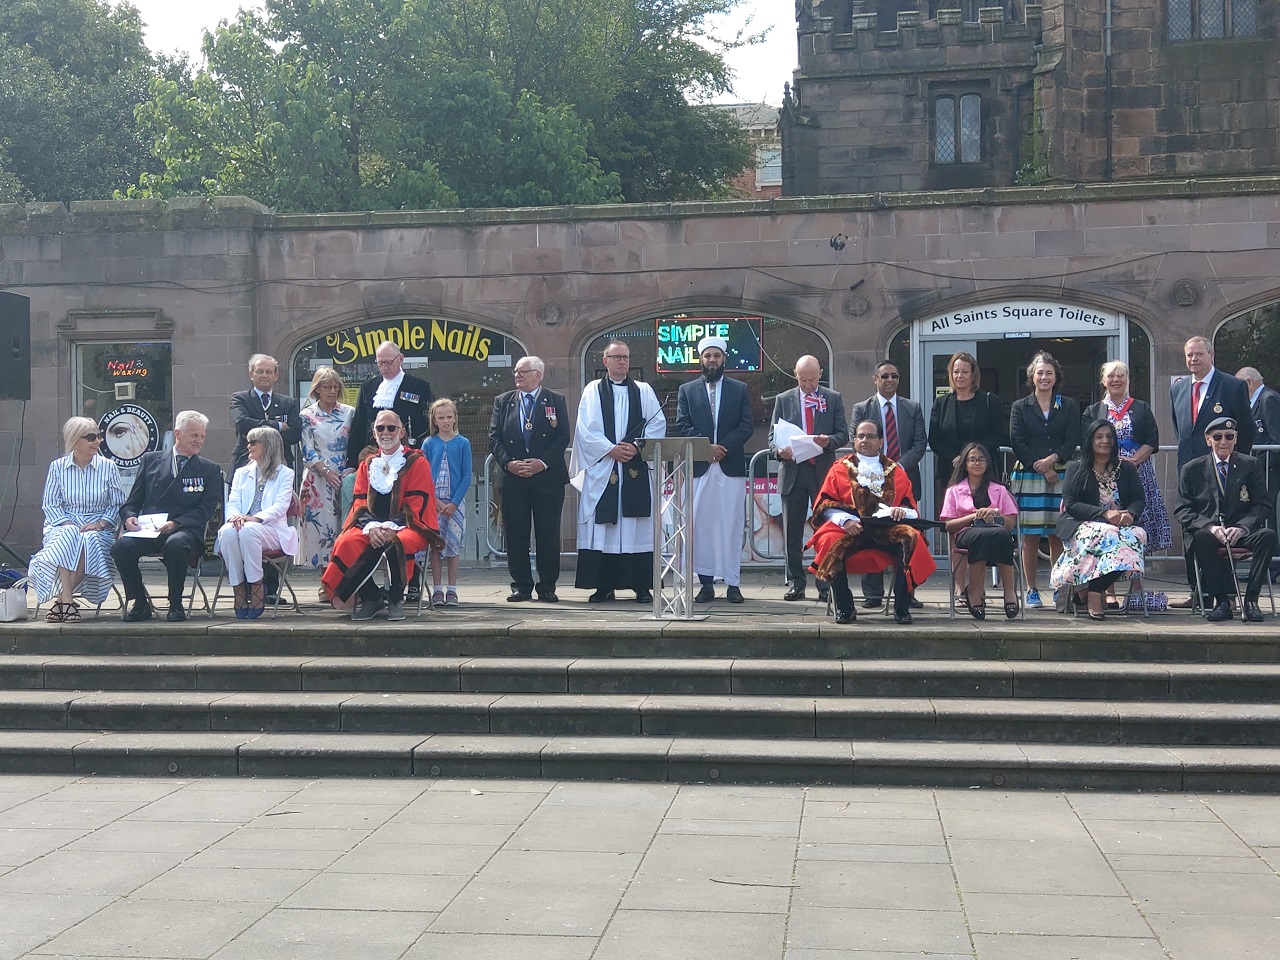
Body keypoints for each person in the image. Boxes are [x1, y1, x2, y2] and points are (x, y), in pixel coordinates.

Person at [808, 420, 937, 625]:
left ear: (881, 441)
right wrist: (846, 520)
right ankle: (845, 607)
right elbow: (824, 504)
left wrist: (900, 512)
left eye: (870, 436)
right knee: (830, 540)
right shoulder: (839, 469)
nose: (865, 441)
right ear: (854, 441)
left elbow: (910, 507)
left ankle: (902, 607)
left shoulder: (896, 470)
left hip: (887, 530)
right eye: (860, 436)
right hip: (852, 529)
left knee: (911, 537)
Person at [321, 410, 442, 621]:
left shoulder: (416, 462)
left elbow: (417, 503)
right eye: (380, 428)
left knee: (398, 541)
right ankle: (372, 597)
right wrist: (372, 527)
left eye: (391, 428)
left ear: (401, 431)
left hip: (408, 526)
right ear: (374, 433)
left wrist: (390, 527)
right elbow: (359, 502)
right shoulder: (367, 465)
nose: (386, 432)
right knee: (347, 541)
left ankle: (396, 599)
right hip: (371, 526)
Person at [570, 341, 667, 603]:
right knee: (605, 528)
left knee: (636, 527)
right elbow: (585, 429)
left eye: (625, 357)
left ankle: (642, 586)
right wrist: (610, 450)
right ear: (605, 361)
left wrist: (636, 447)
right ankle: (603, 586)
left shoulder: (644, 391)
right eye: (616, 357)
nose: (622, 361)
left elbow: (657, 423)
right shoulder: (593, 391)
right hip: (604, 468)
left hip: (634, 467)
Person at [111, 410, 223, 623]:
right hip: (151, 529)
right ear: (178, 434)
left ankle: (176, 603)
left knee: (176, 545)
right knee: (121, 548)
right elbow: (133, 501)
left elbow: (206, 510)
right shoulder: (151, 461)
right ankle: (140, 602)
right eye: (194, 435)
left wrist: (177, 523)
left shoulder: (209, 469)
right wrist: (129, 518)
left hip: (186, 530)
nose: (199, 441)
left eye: (202, 436)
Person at [1170, 336, 1253, 608]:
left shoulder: (1231, 386)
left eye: (1199, 354)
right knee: (1192, 530)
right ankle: (1198, 592)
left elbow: (1246, 430)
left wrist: (1238, 465)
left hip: (1223, 471)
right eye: (1189, 355)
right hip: (1191, 473)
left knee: (1221, 529)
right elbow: (1183, 430)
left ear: (1211, 355)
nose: (1193, 359)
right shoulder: (1179, 389)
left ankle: (1224, 593)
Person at [1082, 361, 1172, 602]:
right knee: (1108, 529)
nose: (1116, 380)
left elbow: (1152, 440)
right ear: (1103, 380)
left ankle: (1136, 587)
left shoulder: (1141, 408)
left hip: (1136, 472)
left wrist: (1132, 462)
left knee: (1135, 526)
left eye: (1121, 376)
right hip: (1104, 475)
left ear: (1128, 380)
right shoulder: (1093, 411)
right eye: (1111, 376)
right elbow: (1086, 442)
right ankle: (1107, 591)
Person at [675, 335, 754, 604]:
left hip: (729, 467)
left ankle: (733, 583)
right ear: (701, 359)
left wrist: (722, 448)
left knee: (730, 526)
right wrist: (706, 448)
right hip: (699, 467)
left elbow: (746, 426)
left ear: (723, 359)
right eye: (708, 356)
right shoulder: (687, 390)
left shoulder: (739, 389)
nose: (712, 360)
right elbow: (682, 425)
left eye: (717, 356)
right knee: (701, 527)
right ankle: (706, 583)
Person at [1174, 417, 1277, 623]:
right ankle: (1222, 601)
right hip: (1211, 532)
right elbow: (1182, 509)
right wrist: (1210, 527)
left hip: (1239, 531)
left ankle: (1251, 600)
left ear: (1236, 438)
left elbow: (1263, 505)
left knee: (1268, 536)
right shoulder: (1192, 469)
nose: (1224, 442)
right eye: (1218, 437)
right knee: (1201, 539)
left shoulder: (1250, 465)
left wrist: (1243, 527)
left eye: (1229, 437)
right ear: (1208, 440)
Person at [488, 356, 570, 602]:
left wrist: (541, 463)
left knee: (547, 534)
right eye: (516, 371)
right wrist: (508, 463)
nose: (518, 376)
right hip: (514, 479)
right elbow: (494, 438)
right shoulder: (503, 402)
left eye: (524, 372)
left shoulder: (555, 400)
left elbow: (562, 436)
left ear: (538, 375)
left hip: (547, 478)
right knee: (515, 534)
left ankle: (547, 586)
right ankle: (521, 585)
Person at [29, 417, 125, 622]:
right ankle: (69, 601)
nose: (98, 441)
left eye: (99, 436)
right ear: (74, 441)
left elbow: (116, 504)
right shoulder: (57, 467)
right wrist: (68, 523)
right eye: (91, 437)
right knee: (70, 535)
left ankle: (63, 601)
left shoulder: (109, 467)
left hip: (99, 525)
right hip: (63, 523)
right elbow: (51, 504)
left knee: (88, 538)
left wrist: (100, 524)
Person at [768, 354, 848, 602]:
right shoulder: (784, 400)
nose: (808, 385)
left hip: (821, 472)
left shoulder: (832, 398)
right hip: (794, 471)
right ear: (795, 375)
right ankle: (796, 582)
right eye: (803, 380)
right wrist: (779, 451)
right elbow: (772, 437)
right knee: (792, 530)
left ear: (820, 374)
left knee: (825, 529)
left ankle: (824, 583)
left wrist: (829, 441)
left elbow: (843, 433)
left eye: (812, 380)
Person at [1049, 419, 1146, 622]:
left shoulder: (1125, 468)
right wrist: (1104, 514)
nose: (1105, 441)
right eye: (1099, 436)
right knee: (1106, 534)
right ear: (1090, 440)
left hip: (1121, 525)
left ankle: (1090, 592)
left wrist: (1131, 514)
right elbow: (1072, 504)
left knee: (1137, 535)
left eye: (1109, 436)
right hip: (1083, 523)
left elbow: (1138, 498)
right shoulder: (1077, 468)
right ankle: (1094, 595)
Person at [851, 359, 925, 609]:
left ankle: (907, 591)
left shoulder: (912, 407)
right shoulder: (862, 408)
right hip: (869, 484)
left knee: (907, 534)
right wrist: (881, 470)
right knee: (872, 532)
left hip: (904, 482)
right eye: (885, 376)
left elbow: (919, 443)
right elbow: (856, 441)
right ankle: (873, 594)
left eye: (894, 376)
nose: (890, 380)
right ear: (875, 379)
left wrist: (897, 469)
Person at [1009, 351, 1079, 609]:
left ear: (1056, 376)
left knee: (1056, 535)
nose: (1044, 377)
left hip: (1060, 475)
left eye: (1049, 372)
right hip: (1030, 474)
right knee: (1029, 535)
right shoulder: (1020, 406)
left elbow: (1073, 438)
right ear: (1032, 377)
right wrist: (1041, 466)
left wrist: (1052, 461)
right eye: (1040, 372)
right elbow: (1017, 441)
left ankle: (1059, 587)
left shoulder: (1068, 405)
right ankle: (1031, 590)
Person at [215, 427, 297, 619]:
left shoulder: (285, 473)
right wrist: (235, 517)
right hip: (242, 526)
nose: (248, 446)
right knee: (227, 531)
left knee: (248, 530)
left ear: (268, 446)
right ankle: (238, 587)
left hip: (272, 529)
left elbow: (280, 506)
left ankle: (256, 584)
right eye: (248, 442)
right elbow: (233, 502)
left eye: (254, 442)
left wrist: (254, 518)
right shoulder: (241, 472)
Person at [940, 442, 1019, 620]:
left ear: (988, 463)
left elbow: (1010, 524)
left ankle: (1009, 591)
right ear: (965, 464)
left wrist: (995, 514)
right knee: (982, 537)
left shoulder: (999, 490)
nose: (977, 463)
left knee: (1002, 534)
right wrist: (973, 517)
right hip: (967, 534)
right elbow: (949, 525)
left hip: (996, 533)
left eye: (981, 459)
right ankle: (974, 591)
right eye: (972, 460)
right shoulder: (953, 491)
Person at [297, 366, 355, 600]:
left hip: (346, 477)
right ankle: (325, 583)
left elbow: (355, 443)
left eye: (335, 387)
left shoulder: (350, 412)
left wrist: (347, 472)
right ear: (317, 389)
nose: (332, 391)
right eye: (327, 387)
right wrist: (325, 471)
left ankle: (344, 583)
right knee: (323, 531)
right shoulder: (306, 415)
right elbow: (306, 448)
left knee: (345, 530)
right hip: (317, 480)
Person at [928, 350, 1006, 481]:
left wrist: (970, 457)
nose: (960, 376)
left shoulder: (990, 401)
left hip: (983, 472)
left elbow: (998, 436)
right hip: (950, 472)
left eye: (965, 372)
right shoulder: (941, 403)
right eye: (956, 372)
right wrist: (955, 458)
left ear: (973, 375)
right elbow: (935, 439)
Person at [424, 398, 472, 606]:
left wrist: (454, 503)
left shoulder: (462, 443)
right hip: (433, 504)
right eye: (441, 417)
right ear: (434, 420)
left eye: (449, 417)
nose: (445, 421)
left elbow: (466, 475)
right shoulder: (429, 443)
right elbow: (423, 474)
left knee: (453, 546)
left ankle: (452, 588)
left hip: (454, 504)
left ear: (455, 419)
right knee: (436, 546)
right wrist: (432, 500)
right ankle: (436, 588)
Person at [348, 340, 434, 453]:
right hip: (373, 454)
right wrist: (352, 462)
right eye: (380, 363)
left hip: (409, 454)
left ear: (401, 359)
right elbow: (359, 426)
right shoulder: (367, 388)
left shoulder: (419, 386)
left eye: (389, 362)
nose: (384, 367)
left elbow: (429, 424)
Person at [229, 354, 303, 471]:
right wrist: (277, 426)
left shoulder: (288, 403)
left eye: (268, 372)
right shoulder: (240, 399)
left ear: (276, 375)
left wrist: (255, 435)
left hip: (280, 464)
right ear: (251, 375)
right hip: (245, 462)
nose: (264, 375)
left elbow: (295, 433)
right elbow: (242, 424)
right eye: (260, 371)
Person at [1237, 366, 1280, 529]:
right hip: (1259, 468)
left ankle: (1272, 552)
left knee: (1266, 511)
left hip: (1268, 468)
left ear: (1248, 382)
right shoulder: (1255, 401)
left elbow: (1276, 438)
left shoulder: (1268, 399)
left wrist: (1262, 463)